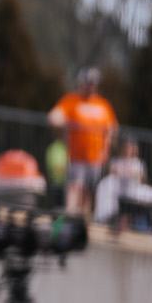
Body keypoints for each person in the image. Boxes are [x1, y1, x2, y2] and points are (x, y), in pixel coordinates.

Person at [48, 68, 116, 217]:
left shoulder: (103, 105)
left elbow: (112, 128)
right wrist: (64, 122)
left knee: (88, 193)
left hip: (95, 159)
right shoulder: (71, 100)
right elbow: (54, 117)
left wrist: (107, 149)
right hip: (76, 157)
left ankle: (84, 222)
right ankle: (70, 217)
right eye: (87, 82)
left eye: (93, 83)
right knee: (75, 188)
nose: (90, 86)